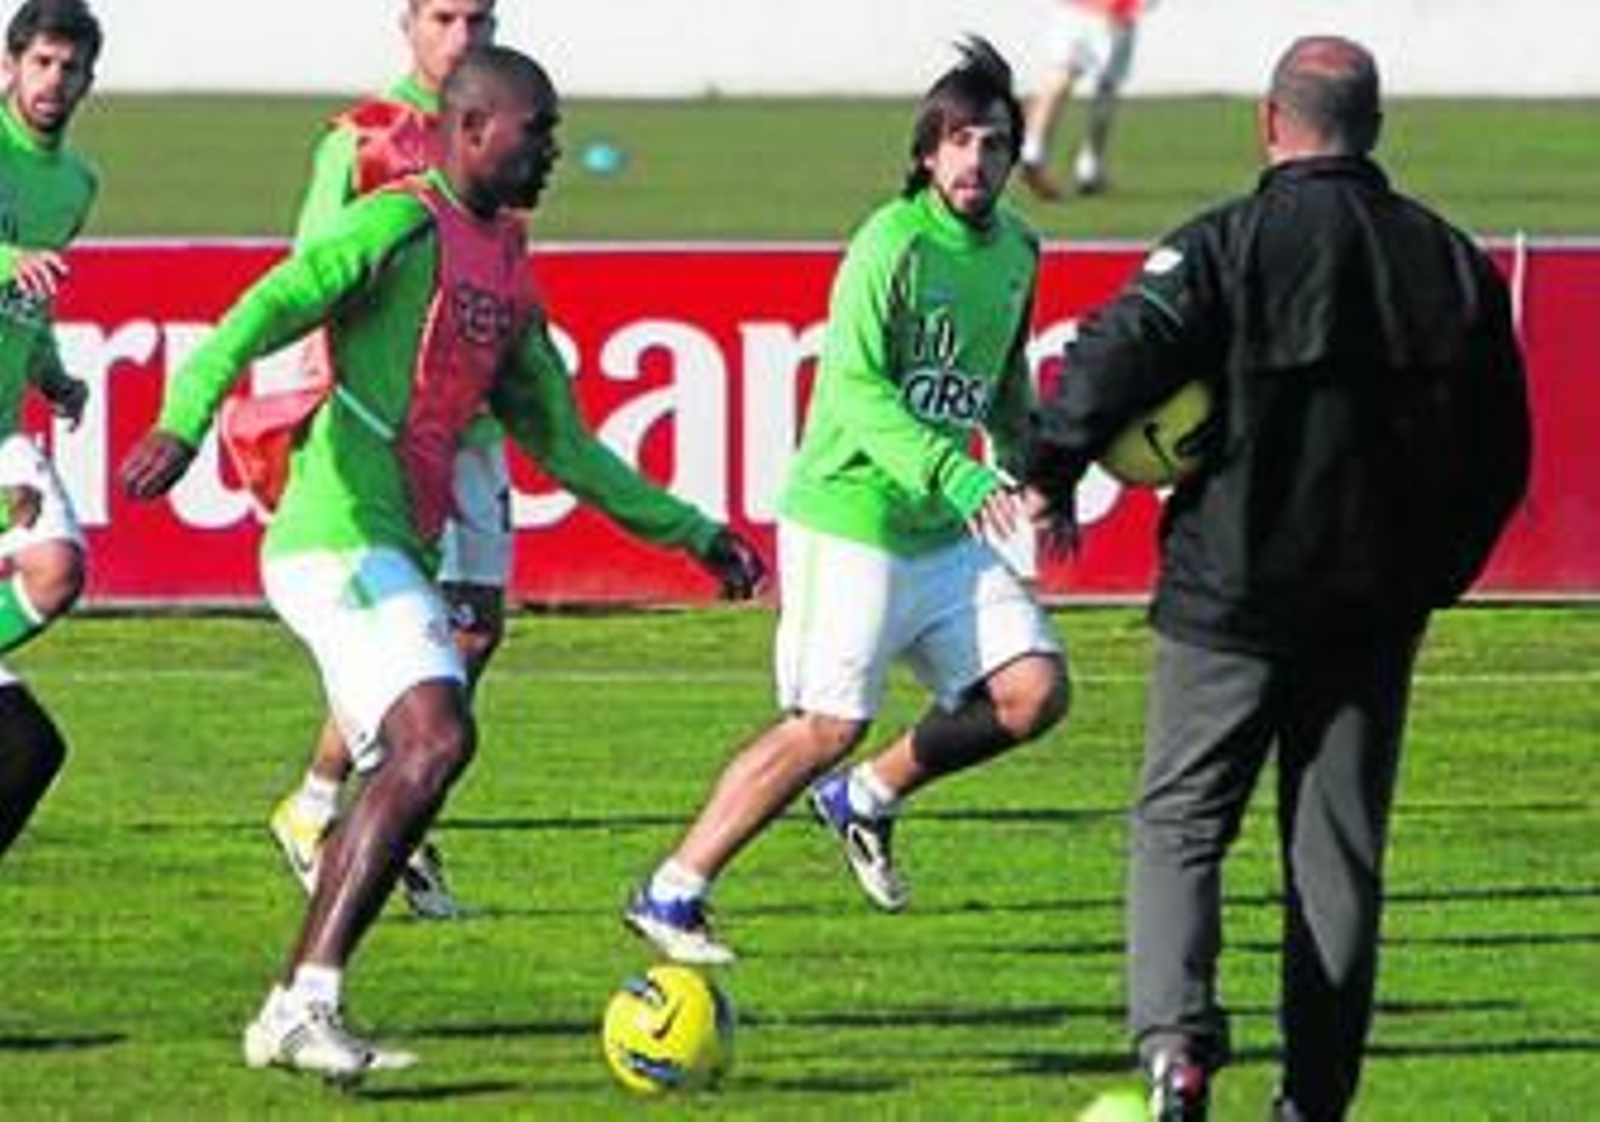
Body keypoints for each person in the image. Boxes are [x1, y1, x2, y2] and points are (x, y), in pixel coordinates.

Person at [120, 45, 765, 1082]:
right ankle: (303, 999)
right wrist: (183, 417)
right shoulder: (398, 223)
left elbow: (567, 444)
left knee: (425, 749)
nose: (552, 150)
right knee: (433, 734)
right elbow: (267, 305)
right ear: (470, 131)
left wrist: (695, 533)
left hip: (388, 545)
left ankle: (297, 1001)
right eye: (536, 130)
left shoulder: (504, 266)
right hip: (331, 534)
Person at [1023, 36, 1532, 1121]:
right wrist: (1432, 577)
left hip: (1230, 597)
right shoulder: (1450, 263)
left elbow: (1112, 351)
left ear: (1268, 122)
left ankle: (1176, 1051)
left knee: (1181, 822)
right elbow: (1503, 456)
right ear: (1375, 128)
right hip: (1373, 612)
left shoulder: (1226, 245)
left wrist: (1051, 468)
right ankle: (1314, 1099)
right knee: (1336, 860)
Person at [625, 37, 1070, 967]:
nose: (975, 159)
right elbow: (856, 390)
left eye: (994, 143)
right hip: (849, 518)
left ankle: (866, 797)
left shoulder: (1019, 250)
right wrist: (953, 471)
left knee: (1034, 693)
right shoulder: (890, 243)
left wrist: (1039, 471)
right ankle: (672, 890)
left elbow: (1002, 381)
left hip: (940, 531)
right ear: (927, 152)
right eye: (958, 141)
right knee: (825, 725)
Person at [270, 0, 499, 923]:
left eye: (480, 19)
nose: (463, 38)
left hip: (472, 425)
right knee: (414, 636)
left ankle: (321, 803)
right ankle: (369, 813)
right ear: (406, 23)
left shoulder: (499, 130)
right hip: (388, 437)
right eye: (444, 17)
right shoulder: (363, 140)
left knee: (472, 633)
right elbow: (307, 279)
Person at [0, 0, 99, 868]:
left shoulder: (74, 184)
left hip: (2, 420)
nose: (54, 81)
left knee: (57, 569)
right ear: (9, 66)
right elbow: (18, 271)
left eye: (70, 68)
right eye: (42, 63)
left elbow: (33, 303)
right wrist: (8, 260)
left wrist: (52, 372)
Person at [1018, 0, 1155, 201]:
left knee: (1061, 74)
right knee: (1107, 87)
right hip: (1113, 14)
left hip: (1071, 10)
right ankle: (1089, 167)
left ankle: (1033, 150)